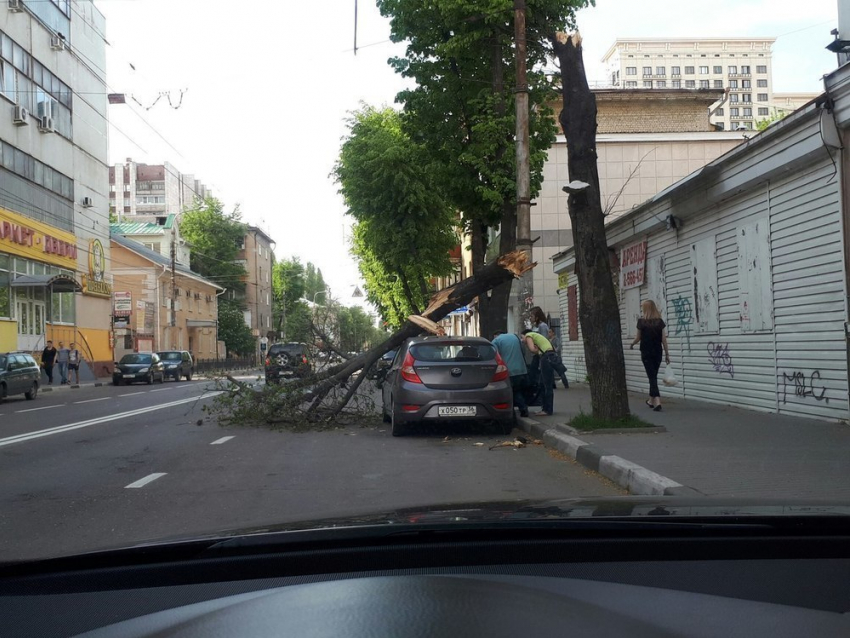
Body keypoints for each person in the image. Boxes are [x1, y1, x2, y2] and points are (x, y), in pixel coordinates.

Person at [629, 300, 671, 412]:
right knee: (653, 376)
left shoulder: (641, 322)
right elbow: (663, 339)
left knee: (652, 376)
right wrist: (667, 354)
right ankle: (650, 400)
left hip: (646, 352)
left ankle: (657, 401)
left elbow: (638, 338)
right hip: (658, 352)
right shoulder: (659, 322)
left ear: (645, 309)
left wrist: (632, 344)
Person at [492, 331, 530, 418]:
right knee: (519, 390)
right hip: (521, 369)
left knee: (512, 392)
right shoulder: (515, 337)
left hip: (509, 371)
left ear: (496, 335)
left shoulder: (496, 341)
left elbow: (494, 356)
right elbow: (523, 351)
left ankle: (519, 410)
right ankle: (523, 408)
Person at [522, 329, 557, 417]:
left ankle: (547, 410)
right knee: (542, 384)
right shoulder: (536, 336)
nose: (522, 340)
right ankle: (545, 408)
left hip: (546, 357)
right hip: (550, 356)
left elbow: (533, 350)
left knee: (546, 385)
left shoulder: (529, 335)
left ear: (525, 335)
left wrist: (533, 348)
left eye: (522, 337)